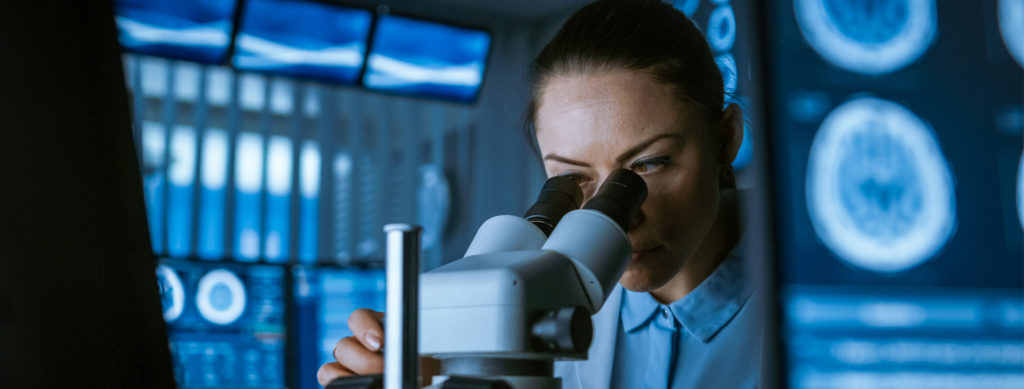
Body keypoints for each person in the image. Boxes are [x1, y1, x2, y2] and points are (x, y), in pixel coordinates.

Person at [317, 0, 762, 387]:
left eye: (647, 165)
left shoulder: (812, 306)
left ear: (725, 139)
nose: (619, 218)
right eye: (572, 179)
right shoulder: (532, 302)